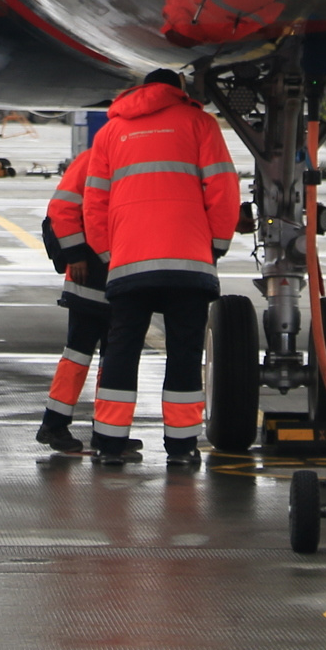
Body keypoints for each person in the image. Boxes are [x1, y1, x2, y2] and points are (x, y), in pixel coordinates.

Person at [82, 69, 240, 466]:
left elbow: (94, 201)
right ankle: (182, 448)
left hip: (129, 260)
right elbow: (223, 187)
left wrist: (108, 253)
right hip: (188, 262)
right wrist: (216, 244)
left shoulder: (110, 131)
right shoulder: (199, 123)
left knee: (121, 350)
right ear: (178, 90)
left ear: (141, 89)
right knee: (184, 353)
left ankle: (109, 444)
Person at [34, 147, 109, 454]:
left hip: (113, 274)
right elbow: (62, 209)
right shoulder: (97, 158)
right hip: (91, 276)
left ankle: (103, 430)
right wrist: (76, 255)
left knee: (105, 356)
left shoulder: (102, 156)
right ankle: (57, 425)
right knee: (82, 352)